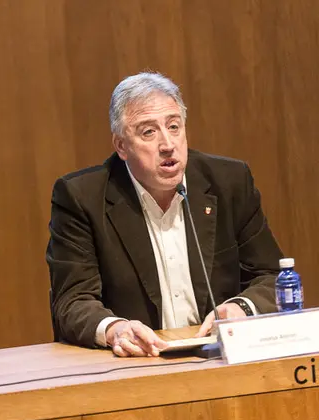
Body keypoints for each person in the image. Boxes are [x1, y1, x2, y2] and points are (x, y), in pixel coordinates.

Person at [46, 72, 283, 357]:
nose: (168, 144)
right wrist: (116, 329)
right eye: (149, 132)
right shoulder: (81, 198)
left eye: (174, 126)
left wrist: (240, 308)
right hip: (138, 363)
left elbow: (272, 276)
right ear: (121, 146)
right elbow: (72, 302)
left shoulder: (229, 182)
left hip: (220, 356)